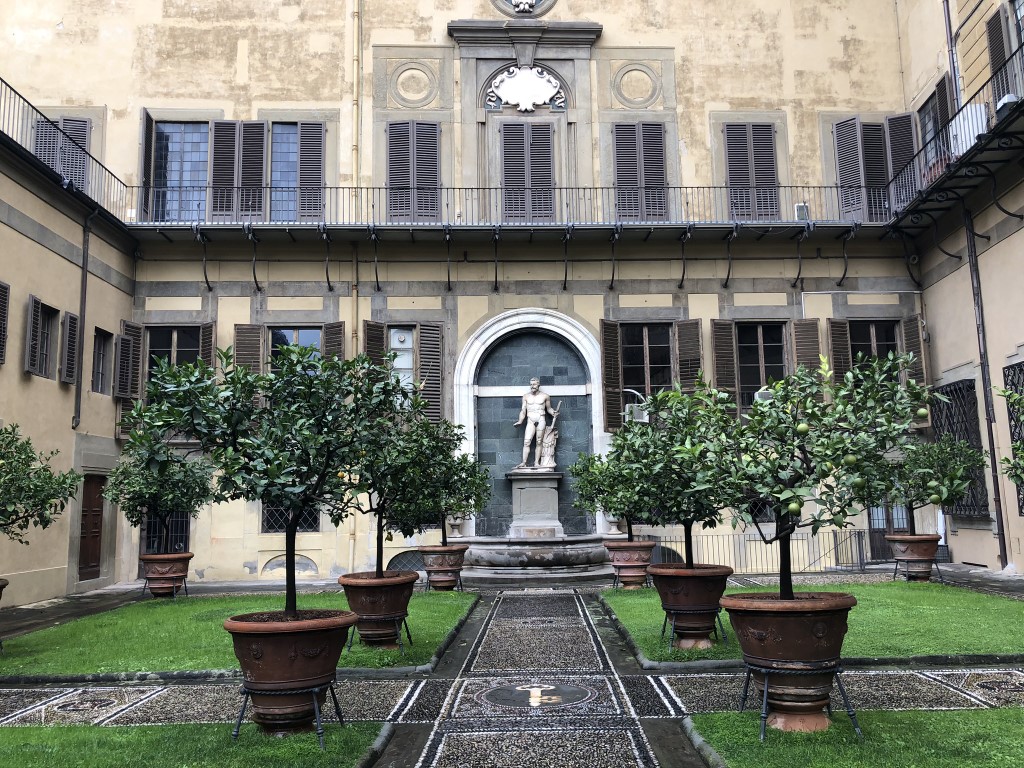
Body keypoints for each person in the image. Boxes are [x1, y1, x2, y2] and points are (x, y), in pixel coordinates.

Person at [513, 377, 559, 468]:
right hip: (530, 420)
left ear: (538, 385)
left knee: (539, 442)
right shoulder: (526, 396)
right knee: (526, 441)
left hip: (541, 419)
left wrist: (553, 413)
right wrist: (520, 421)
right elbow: (523, 411)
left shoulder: (545, 396)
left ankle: (536, 462)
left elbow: (549, 409)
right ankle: (523, 462)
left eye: (534, 384)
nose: (532, 386)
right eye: (531, 384)